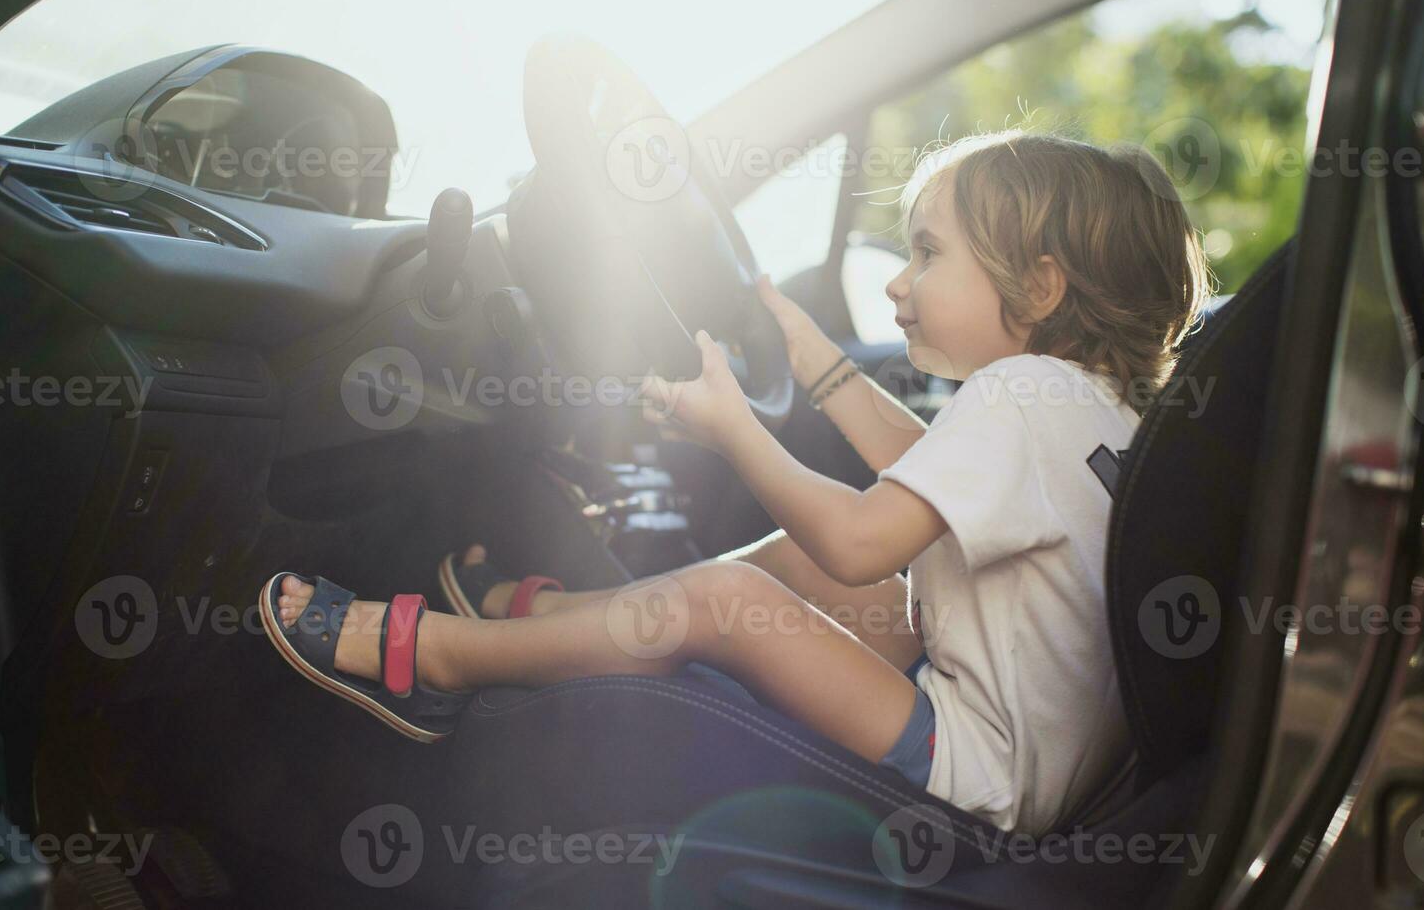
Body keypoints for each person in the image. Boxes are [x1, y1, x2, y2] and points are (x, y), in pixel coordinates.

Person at [261, 130, 1210, 836]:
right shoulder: (1094, 414)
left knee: (727, 598)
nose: (898, 282)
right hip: (1041, 777)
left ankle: (438, 660)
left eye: (928, 253)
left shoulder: (1017, 393)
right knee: (803, 566)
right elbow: (923, 465)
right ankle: (542, 618)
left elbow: (861, 538)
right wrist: (819, 363)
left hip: (975, 775)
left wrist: (736, 430)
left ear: (1039, 289)